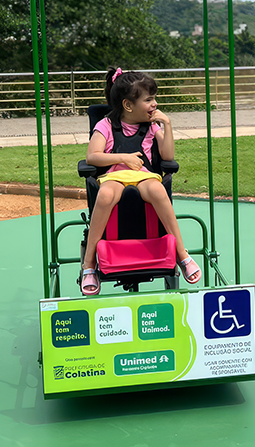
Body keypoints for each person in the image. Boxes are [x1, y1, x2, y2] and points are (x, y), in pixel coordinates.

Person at [79, 66, 201, 295]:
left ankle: (182, 254)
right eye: (148, 99)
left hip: (144, 176)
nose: (155, 104)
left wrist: (167, 125)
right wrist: (123, 157)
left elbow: (168, 157)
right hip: (114, 176)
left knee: (158, 190)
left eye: (154, 98)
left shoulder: (152, 126)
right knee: (105, 195)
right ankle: (89, 264)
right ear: (128, 105)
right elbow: (92, 156)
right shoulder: (105, 125)